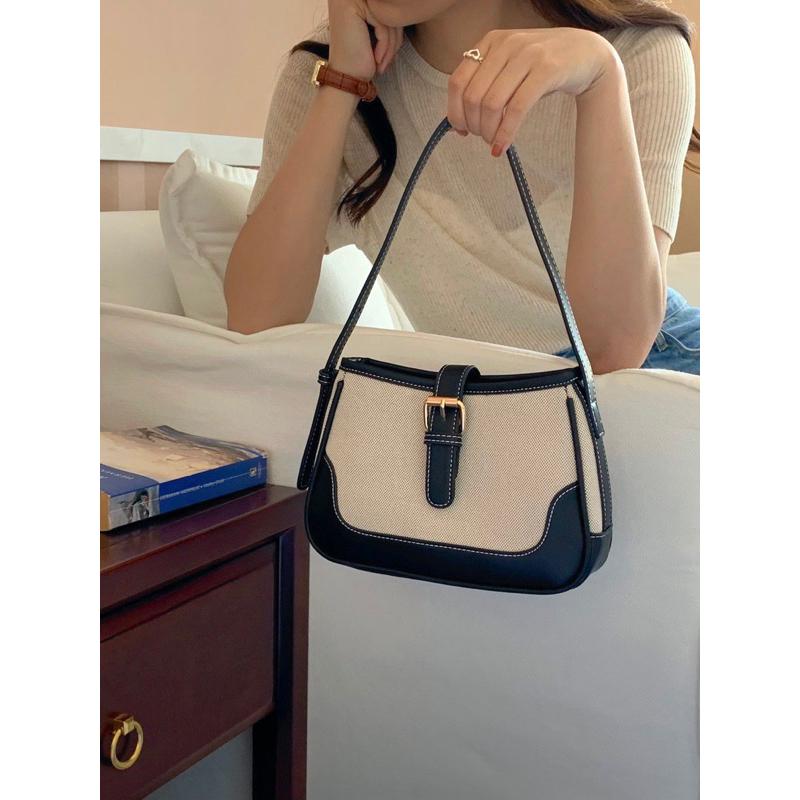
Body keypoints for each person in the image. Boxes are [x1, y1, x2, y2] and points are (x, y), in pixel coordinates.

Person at [226, 0, 700, 375]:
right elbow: (254, 319)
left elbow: (616, 351)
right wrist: (343, 81)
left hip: (661, 371)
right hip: (484, 397)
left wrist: (600, 81)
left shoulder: (635, 49)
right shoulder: (329, 74)